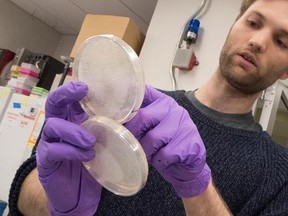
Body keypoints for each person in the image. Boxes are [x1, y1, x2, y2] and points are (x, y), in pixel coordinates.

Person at [8, 0, 288, 215]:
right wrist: (59, 206)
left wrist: (199, 189)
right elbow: (22, 194)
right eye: (253, 23)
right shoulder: (130, 106)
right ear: (234, 25)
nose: (258, 41)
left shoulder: (279, 174)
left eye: (281, 41)